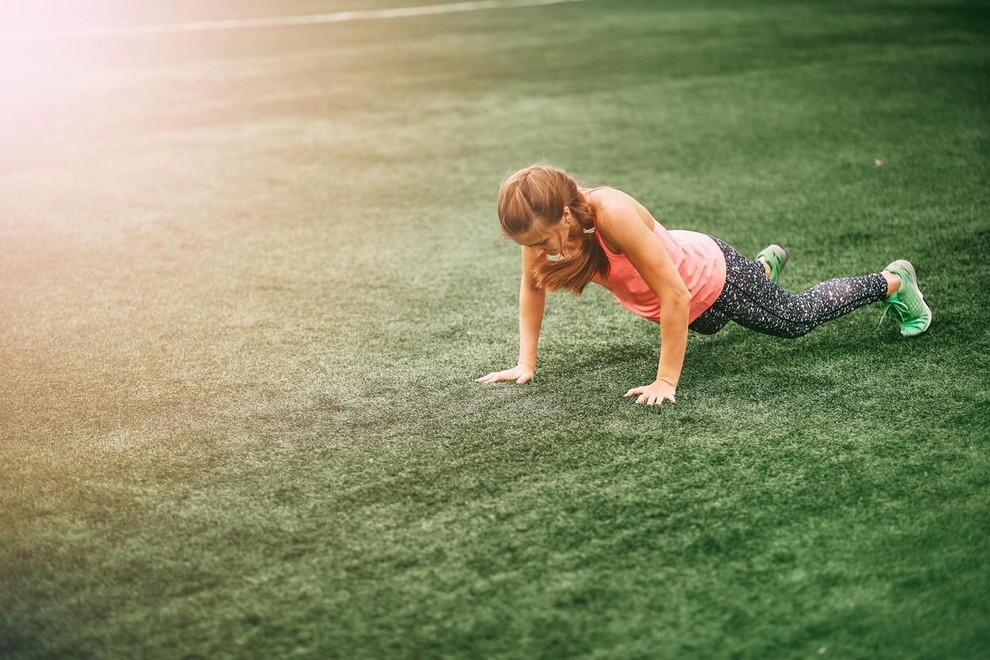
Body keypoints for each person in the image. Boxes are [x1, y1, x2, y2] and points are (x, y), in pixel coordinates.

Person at [476, 165, 931, 405]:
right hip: (688, 297)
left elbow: (675, 293)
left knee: (793, 319)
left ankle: (892, 282)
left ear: (565, 213)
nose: (543, 251)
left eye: (543, 240)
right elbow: (532, 289)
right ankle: (762, 273)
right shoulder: (540, 230)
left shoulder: (610, 213)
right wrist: (525, 364)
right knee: (711, 325)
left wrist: (665, 381)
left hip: (709, 275)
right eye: (531, 244)